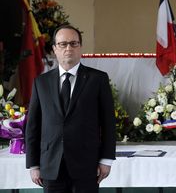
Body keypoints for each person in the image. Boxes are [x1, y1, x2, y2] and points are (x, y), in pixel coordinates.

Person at [25, 24, 116, 192]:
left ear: (80, 47)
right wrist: (33, 164)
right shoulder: (41, 82)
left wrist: (106, 160)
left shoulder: (98, 79)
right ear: (54, 48)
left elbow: (108, 123)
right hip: (50, 166)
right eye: (63, 44)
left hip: (87, 165)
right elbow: (33, 126)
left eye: (74, 43)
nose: (68, 48)